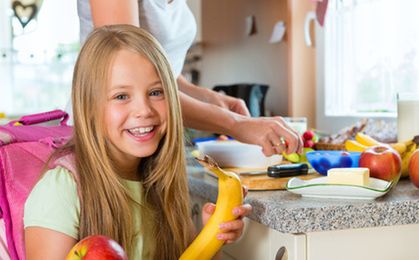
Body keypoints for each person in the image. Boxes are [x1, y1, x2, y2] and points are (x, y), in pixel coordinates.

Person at [24, 25, 251, 260]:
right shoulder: (61, 190)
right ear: (89, 108)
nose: (143, 110)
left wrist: (211, 238)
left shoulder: (160, 181)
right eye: (121, 96)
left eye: (156, 92)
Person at [76, 0, 304, 156]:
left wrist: (209, 98)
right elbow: (133, 81)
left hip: (150, 147)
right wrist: (235, 124)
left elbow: (162, 75)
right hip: (106, 143)